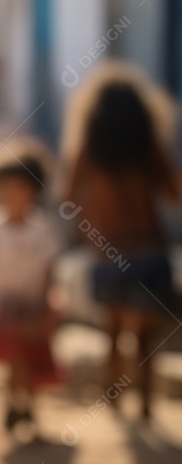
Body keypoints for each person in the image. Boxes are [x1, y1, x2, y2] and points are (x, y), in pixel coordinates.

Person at [59, 61, 179, 422]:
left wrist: (84, 229)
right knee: (146, 337)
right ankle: (146, 403)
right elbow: (173, 194)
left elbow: (68, 198)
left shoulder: (89, 152)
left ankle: (113, 400)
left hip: (107, 250)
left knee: (112, 332)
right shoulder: (149, 149)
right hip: (150, 248)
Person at [0, 140, 62, 436]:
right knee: (14, 359)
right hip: (3, 306)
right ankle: (13, 404)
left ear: (34, 190)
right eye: (4, 188)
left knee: (34, 359)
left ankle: (28, 409)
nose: (11, 195)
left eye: (18, 188)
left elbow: (50, 269)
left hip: (34, 305)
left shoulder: (42, 228)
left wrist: (49, 302)